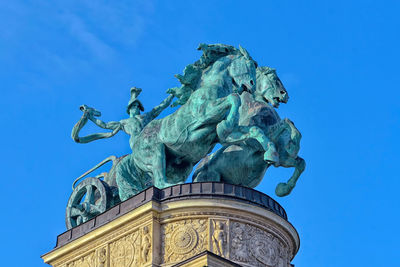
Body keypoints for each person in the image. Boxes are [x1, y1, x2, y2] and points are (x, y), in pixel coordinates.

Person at [72, 87, 174, 149]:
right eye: (134, 106)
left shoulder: (147, 116)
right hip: (137, 142)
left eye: (138, 106)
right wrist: (91, 117)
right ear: (129, 109)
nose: (136, 108)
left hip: (150, 138)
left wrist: (172, 95)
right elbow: (105, 125)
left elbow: (161, 106)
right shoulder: (123, 122)